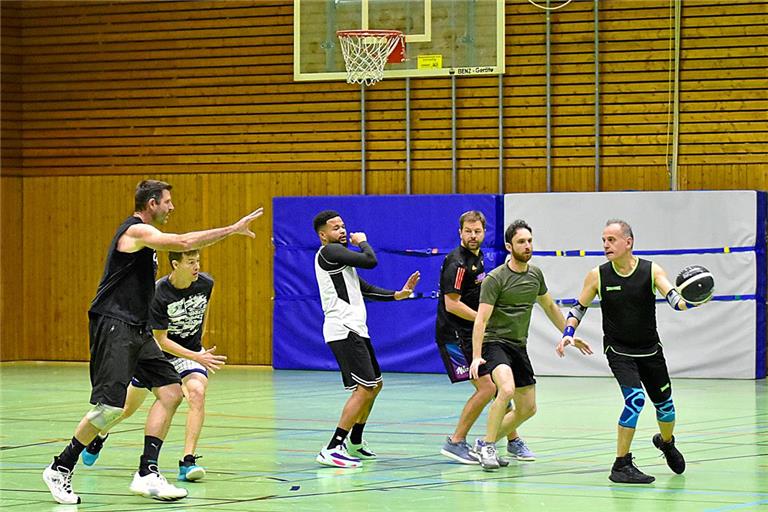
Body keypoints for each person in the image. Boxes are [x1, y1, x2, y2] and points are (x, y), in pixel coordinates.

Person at [43, 180, 262, 504]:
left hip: (139, 328)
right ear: (151, 204)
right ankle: (60, 467)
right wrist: (231, 229)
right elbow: (184, 240)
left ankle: (147, 472)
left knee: (172, 392)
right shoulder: (134, 232)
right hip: (115, 323)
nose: (172, 208)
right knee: (109, 409)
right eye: (167, 202)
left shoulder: (146, 237)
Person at [557, 219, 698, 484]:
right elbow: (579, 308)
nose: (606, 245)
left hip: (650, 350)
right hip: (618, 350)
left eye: (611, 240)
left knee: (665, 407)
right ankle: (621, 464)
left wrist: (687, 301)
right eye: (603, 240)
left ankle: (666, 442)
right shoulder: (597, 275)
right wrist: (568, 333)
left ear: (628, 242)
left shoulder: (651, 270)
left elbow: (673, 296)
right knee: (635, 400)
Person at [80, 249, 225, 483]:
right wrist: (197, 357)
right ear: (175, 265)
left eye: (198, 261)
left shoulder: (206, 284)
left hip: (189, 353)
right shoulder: (159, 292)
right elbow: (161, 340)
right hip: (157, 355)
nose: (196, 266)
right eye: (190, 262)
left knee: (197, 393)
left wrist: (198, 349)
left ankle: (188, 461)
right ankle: (100, 435)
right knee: (125, 409)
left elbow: (202, 315)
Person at [469, 219, 592, 471]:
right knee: (506, 389)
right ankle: (490, 447)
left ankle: (483, 443)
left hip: (518, 346)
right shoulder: (495, 279)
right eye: (521, 242)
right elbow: (480, 320)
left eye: (529, 241)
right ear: (508, 246)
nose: (527, 246)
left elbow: (549, 306)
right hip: (495, 343)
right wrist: (476, 356)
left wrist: (568, 333)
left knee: (528, 408)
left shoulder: (535, 275)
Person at [312, 210, 420, 468]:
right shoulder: (328, 253)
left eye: (343, 226)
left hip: (357, 328)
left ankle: (355, 442)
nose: (342, 231)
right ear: (323, 235)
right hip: (343, 328)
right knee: (365, 388)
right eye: (335, 228)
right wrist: (362, 242)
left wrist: (398, 295)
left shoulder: (341, 264)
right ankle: (333, 446)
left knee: (375, 385)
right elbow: (370, 261)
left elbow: (366, 288)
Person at [436, 211, 530, 465]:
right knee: (488, 387)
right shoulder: (457, 262)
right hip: (454, 336)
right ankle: (456, 441)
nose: (473, 235)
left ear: (484, 232)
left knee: (500, 385)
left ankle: (512, 440)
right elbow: (452, 304)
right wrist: (482, 318)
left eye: (477, 231)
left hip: (473, 333)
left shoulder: (478, 259)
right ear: (460, 232)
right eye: (468, 231)